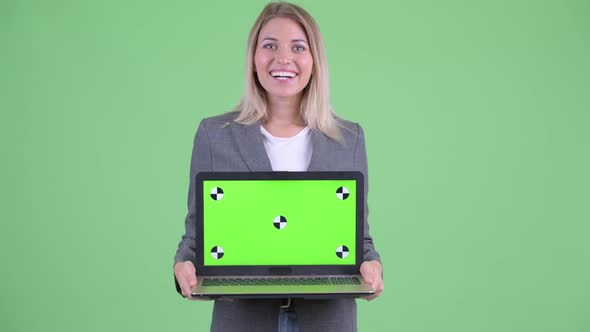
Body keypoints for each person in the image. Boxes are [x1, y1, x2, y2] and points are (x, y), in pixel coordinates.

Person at [174, 2, 383, 331]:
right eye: (269, 45)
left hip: (327, 318)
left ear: (314, 60)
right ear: (253, 57)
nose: (283, 59)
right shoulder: (214, 135)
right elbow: (197, 232)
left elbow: (359, 238)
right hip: (243, 317)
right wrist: (183, 263)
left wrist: (372, 266)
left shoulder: (349, 138)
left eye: (298, 47)